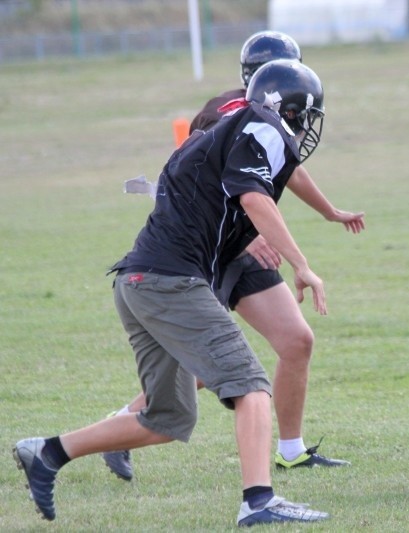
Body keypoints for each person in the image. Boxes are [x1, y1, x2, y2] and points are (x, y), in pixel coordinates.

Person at [14, 60, 332, 526]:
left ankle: (47, 452)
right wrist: (302, 265)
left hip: (137, 282)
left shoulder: (222, 128)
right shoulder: (260, 126)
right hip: (169, 281)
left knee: (165, 418)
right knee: (251, 386)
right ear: (289, 108)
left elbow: (219, 199)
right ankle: (259, 501)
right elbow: (254, 197)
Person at [102, 30, 363, 482]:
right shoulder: (227, 112)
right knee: (209, 363)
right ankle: (118, 429)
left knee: (296, 341)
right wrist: (249, 240)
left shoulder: (273, 123)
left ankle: (292, 450)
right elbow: (206, 189)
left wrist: (330, 212)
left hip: (247, 240)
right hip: (221, 250)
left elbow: (289, 169)